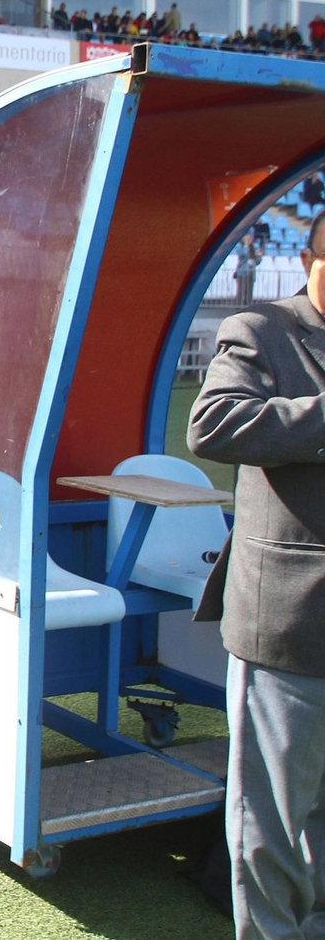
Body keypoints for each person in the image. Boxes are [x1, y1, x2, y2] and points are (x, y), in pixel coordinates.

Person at [188, 210, 325, 940]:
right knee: (270, 817)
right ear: (309, 260)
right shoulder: (262, 328)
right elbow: (212, 423)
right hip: (291, 621)